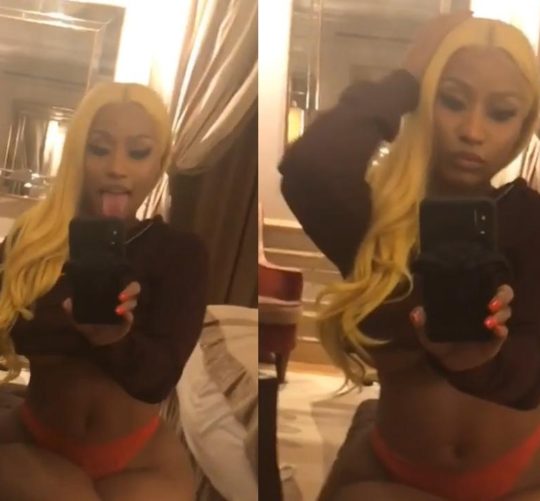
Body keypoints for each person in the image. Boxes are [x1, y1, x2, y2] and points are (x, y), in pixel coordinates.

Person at [279, 12, 540, 501]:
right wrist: (406, 76)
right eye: (452, 100)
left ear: (524, 126)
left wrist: (479, 363)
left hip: (520, 474)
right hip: (396, 472)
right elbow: (310, 166)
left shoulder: (533, 222)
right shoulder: (379, 220)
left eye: (501, 113)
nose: (473, 131)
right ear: (423, 99)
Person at [0, 82, 208, 500]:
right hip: (32, 441)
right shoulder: (32, 239)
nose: (116, 168)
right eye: (98, 149)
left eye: (138, 152)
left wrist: (115, 340)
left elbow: (157, 380)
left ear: (160, 162)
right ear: (77, 154)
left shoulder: (180, 253)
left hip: (140, 458)